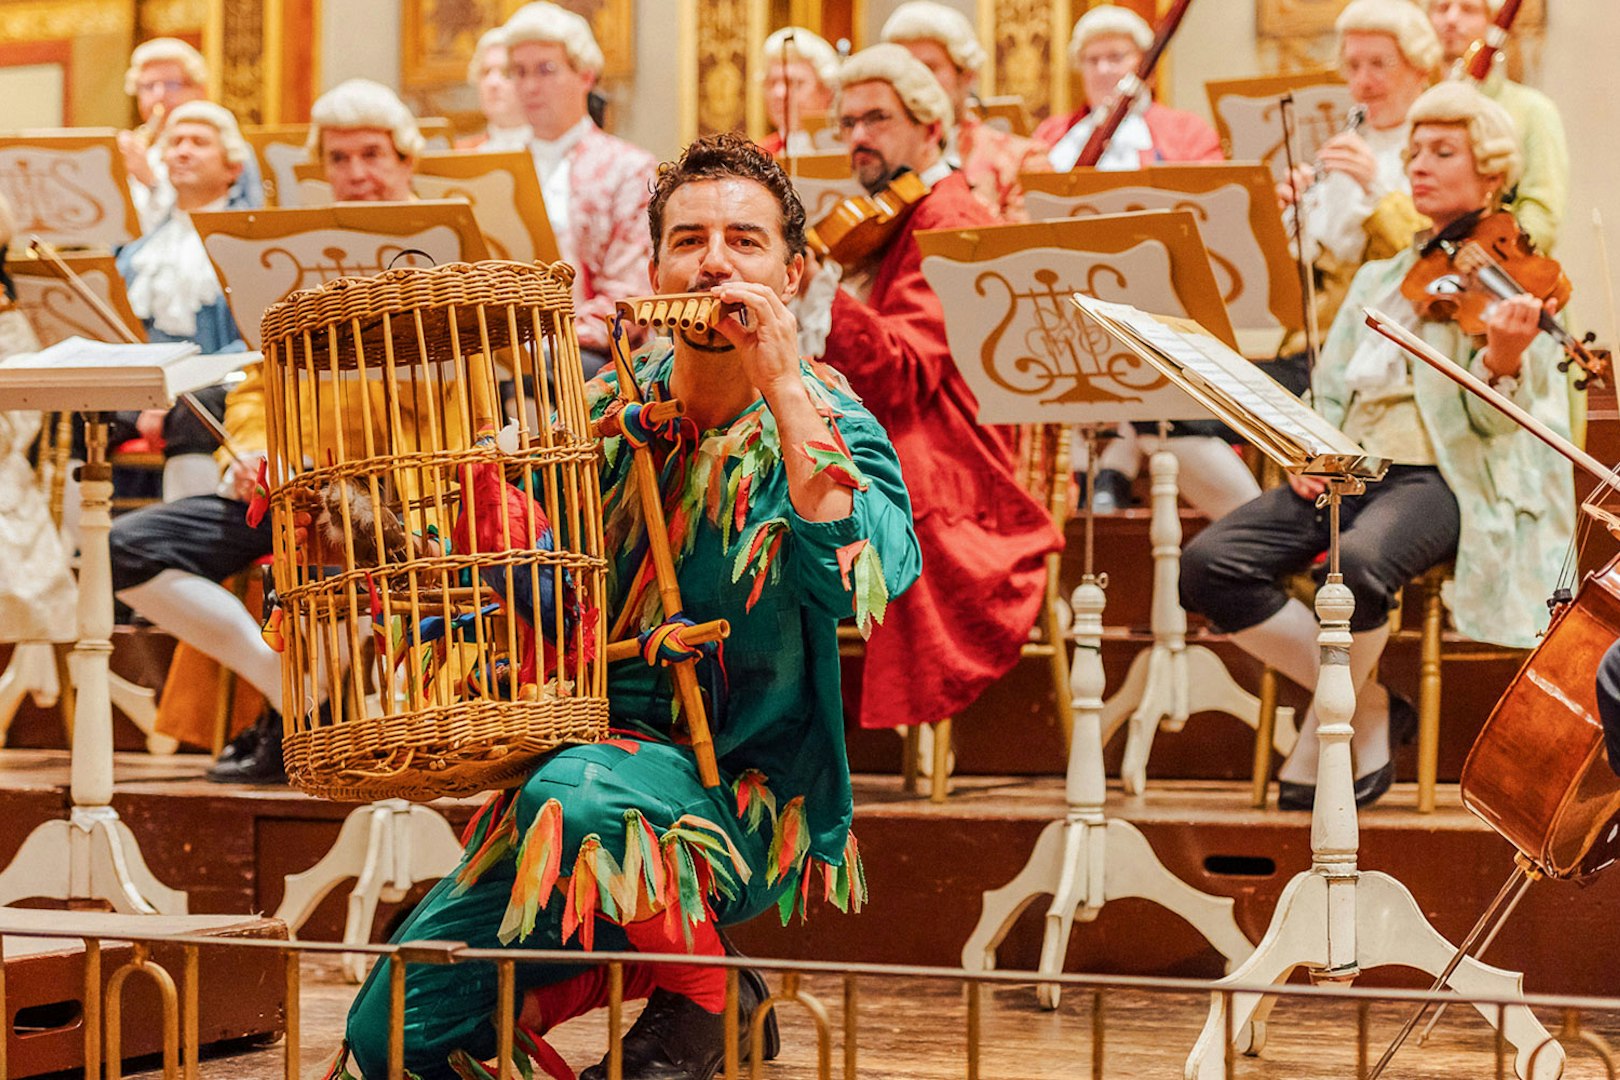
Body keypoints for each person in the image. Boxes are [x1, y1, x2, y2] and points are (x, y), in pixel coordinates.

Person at [331, 132, 920, 1080]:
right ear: (653, 267)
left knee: (578, 787)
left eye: (745, 241)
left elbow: (871, 578)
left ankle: (710, 997)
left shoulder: (828, 419)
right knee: (391, 1035)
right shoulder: (601, 412)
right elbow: (536, 599)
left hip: (734, 805)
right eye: (688, 240)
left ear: (796, 273)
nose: (714, 261)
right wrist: (378, 532)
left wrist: (779, 385)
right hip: (568, 800)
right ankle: (692, 987)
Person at [1180, 82, 1574, 811]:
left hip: (1441, 476)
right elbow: (1330, 390)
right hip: (1349, 467)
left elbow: (1504, 432)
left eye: (1443, 152)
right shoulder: (1380, 275)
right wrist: (1307, 446)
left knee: (1358, 564)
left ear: (1492, 175)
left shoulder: (1513, 280)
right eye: (1415, 150)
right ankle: (1366, 708)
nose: (1419, 163)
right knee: (1208, 564)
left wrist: (1504, 362)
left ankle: (1323, 732)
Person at [109, 79, 429, 784]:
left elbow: (457, 396)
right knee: (126, 548)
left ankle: (305, 721)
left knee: (334, 535)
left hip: (399, 489)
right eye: (339, 160)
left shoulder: (442, 255)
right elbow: (257, 375)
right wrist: (254, 452)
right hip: (286, 480)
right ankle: (293, 692)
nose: (356, 174)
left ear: (407, 159)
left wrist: (352, 470)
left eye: (372, 154)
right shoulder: (296, 255)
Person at [812, 44, 1061, 738]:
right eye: (849, 122)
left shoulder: (950, 217)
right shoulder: (885, 217)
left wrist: (821, 291)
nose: (859, 136)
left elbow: (902, 374)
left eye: (878, 119)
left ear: (931, 127)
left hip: (950, 447)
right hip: (889, 423)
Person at [502, 2, 657, 373]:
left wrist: (548, 342)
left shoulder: (629, 168)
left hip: (587, 354)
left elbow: (630, 297)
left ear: (585, 76)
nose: (529, 86)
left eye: (546, 70)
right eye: (519, 72)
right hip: (503, 347)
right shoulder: (494, 167)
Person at [115, 101, 251, 502]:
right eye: (174, 142)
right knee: (84, 410)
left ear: (233, 168)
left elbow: (252, 337)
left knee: (192, 410)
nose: (182, 151)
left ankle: (184, 548)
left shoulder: (248, 241)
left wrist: (174, 388)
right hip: (147, 382)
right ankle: (79, 552)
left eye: (199, 142)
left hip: (220, 379)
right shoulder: (142, 243)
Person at [880, 0, 1049, 221]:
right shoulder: (878, 157)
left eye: (929, 68)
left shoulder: (1024, 161)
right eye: (905, 69)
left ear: (967, 75)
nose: (916, 81)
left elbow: (1025, 250)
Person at [1426, 0, 1567, 251]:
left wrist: (1492, 256)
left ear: (1492, 20)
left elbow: (1542, 215)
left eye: (1468, 9)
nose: (1451, 19)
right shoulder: (1420, 104)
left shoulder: (1532, 110)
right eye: (1442, 8)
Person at [1034, 5, 1222, 172]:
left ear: (1145, 63)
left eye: (1116, 57)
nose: (1103, 70)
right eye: (1092, 60)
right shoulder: (1049, 133)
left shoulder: (1188, 132)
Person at [118, 38, 262, 231]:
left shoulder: (231, 149)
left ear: (199, 90)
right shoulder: (141, 148)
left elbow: (245, 227)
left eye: (172, 85)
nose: (159, 95)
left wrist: (150, 181)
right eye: (148, 86)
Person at [759, 26, 841, 157]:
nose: (779, 93)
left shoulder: (847, 153)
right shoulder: (758, 155)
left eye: (793, 83)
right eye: (772, 82)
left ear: (827, 92)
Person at [457, 27, 534, 152]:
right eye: (485, 72)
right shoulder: (460, 153)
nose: (492, 83)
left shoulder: (561, 154)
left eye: (505, 72)